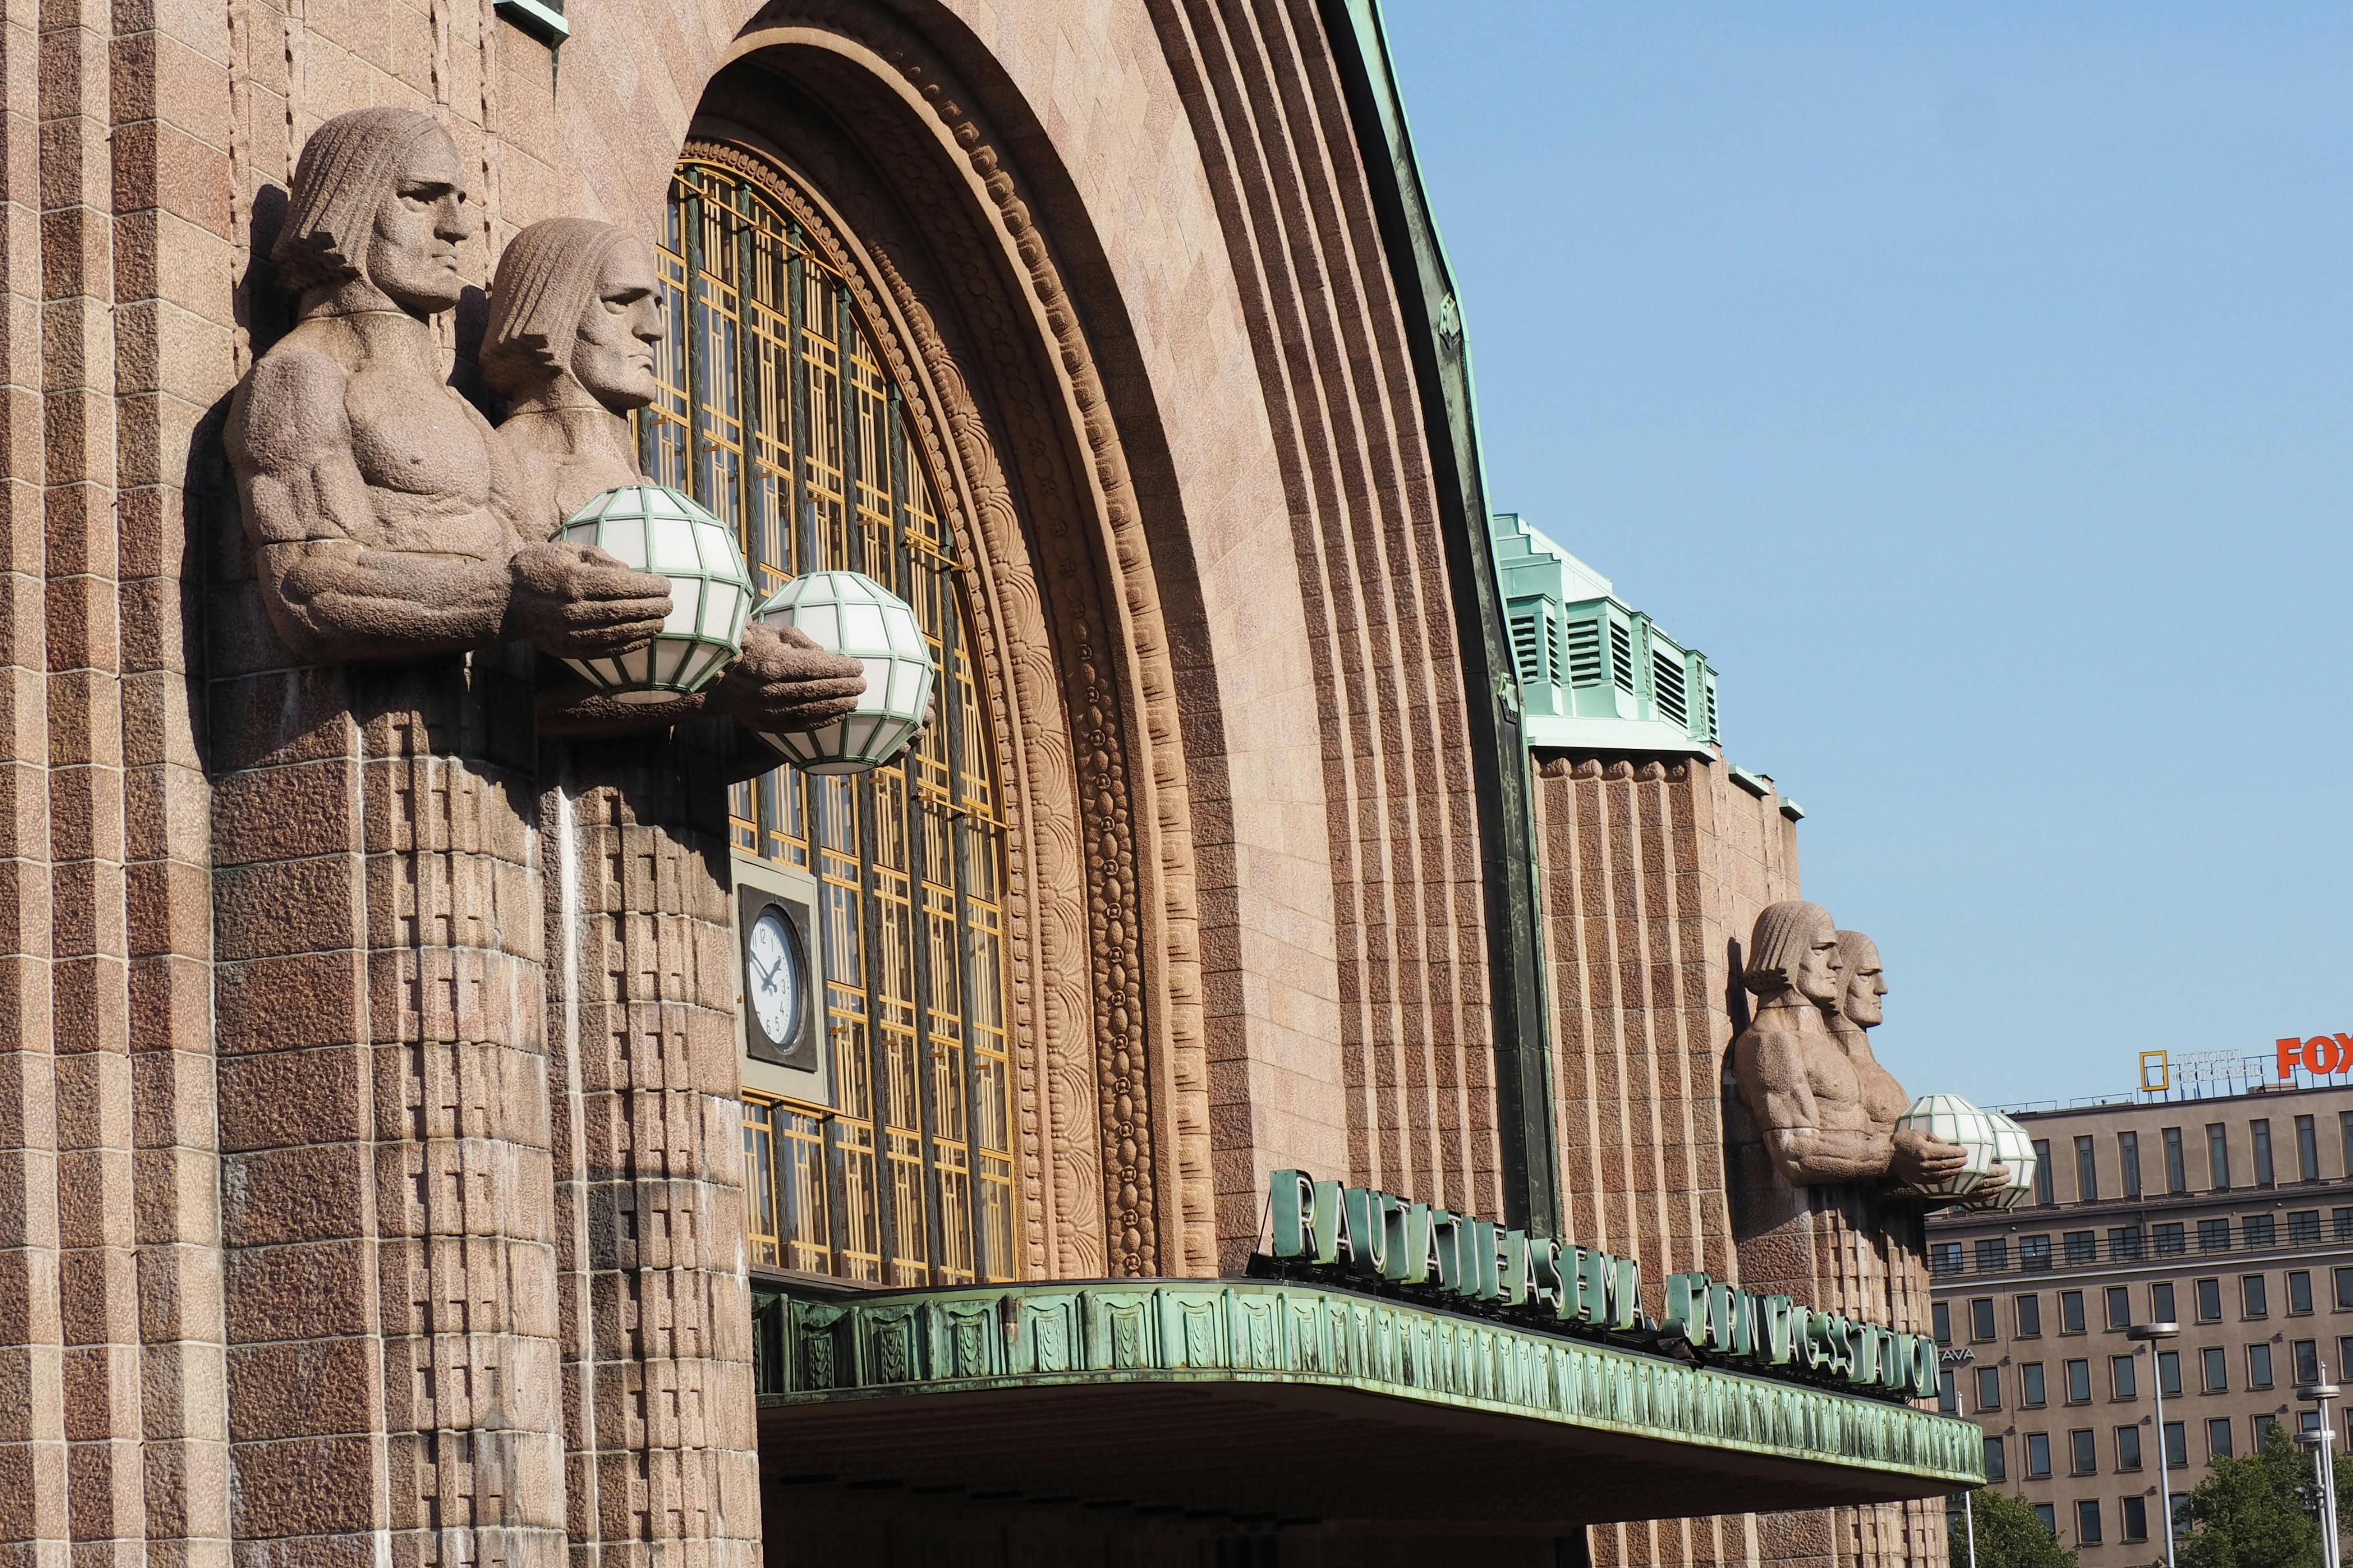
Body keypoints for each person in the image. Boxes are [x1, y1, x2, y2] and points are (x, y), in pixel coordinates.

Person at [226, 107, 667, 666]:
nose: (455, 227)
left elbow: (531, 575)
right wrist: (509, 600)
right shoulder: (303, 376)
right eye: (421, 197)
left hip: (474, 729)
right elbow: (309, 589)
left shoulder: (462, 413)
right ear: (348, 204)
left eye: (459, 201)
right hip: (367, 735)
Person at [481, 214, 866, 738]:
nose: (654, 328)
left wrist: (802, 710)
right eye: (621, 301)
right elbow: (502, 697)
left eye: (658, 305)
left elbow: (668, 685)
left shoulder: (640, 485)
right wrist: (724, 694)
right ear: (552, 306)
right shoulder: (507, 465)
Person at [1732, 900, 1969, 1191]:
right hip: (1817, 1224)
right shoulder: (1771, 1041)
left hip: (1854, 1220)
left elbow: (1870, 1165)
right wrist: (1891, 1155)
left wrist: (1959, 1182)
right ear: (1786, 953)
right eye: (1821, 950)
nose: (1837, 962)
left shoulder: (1826, 1048)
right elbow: (1794, 1152)